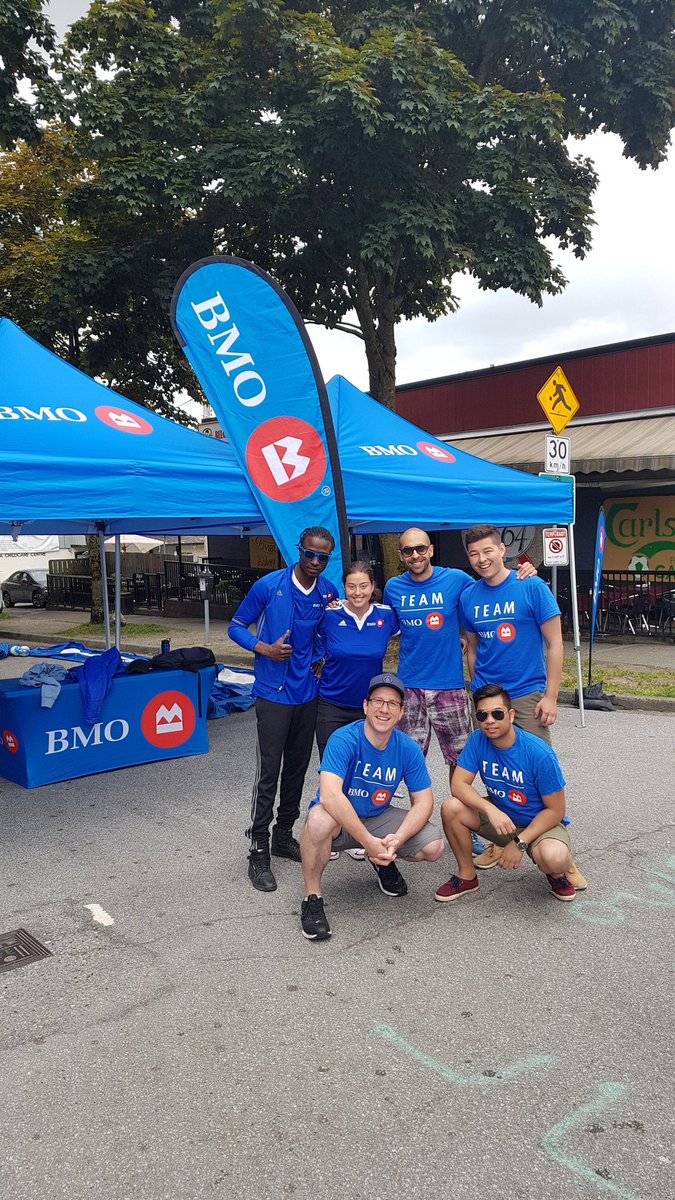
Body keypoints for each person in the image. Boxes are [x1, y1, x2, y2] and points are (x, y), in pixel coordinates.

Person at [383, 528, 534, 854]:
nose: (415, 556)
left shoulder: (456, 580)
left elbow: (493, 584)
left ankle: (464, 821)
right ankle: (417, 823)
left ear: (431, 550)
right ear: (400, 556)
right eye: (408, 551)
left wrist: (526, 569)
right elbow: (386, 628)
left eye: (420, 548)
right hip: (410, 688)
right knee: (410, 759)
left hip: (449, 687)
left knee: (460, 761)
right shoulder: (393, 588)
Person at [459, 525, 586, 889]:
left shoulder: (532, 586)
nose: (482, 559)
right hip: (487, 698)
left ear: (502, 549)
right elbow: (473, 646)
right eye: (474, 554)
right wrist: (477, 691)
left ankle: (563, 855)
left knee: (541, 772)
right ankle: (502, 840)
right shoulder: (469, 596)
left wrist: (551, 695)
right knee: (495, 769)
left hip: (528, 694)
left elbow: (555, 644)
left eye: (488, 551)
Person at [228, 527, 339, 893]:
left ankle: (283, 835)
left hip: (308, 694)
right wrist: (264, 648)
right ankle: (258, 848)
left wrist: (321, 658)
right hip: (273, 694)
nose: (316, 562)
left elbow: (328, 634)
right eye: (310, 554)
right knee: (269, 771)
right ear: (299, 549)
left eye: (323, 557)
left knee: (297, 769)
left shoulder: (328, 592)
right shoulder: (269, 586)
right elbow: (235, 626)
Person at [299, 673, 445, 940]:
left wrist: (397, 840)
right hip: (340, 820)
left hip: (377, 817)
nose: (384, 709)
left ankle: (383, 861)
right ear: (366, 706)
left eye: (392, 703)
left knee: (433, 846)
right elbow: (330, 796)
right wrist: (368, 841)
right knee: (319, 821)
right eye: (378, 701)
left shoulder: (408, 748)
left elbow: (424, 802)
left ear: (401, 713)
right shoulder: (344, 738)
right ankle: (312, 896)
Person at [434, 684, 577, 904]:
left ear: (511, 715)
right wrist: (489, 809)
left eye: (497, 714)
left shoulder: (539, 753)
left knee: (554, 858)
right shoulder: (477, 740)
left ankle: (557, 874)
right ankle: (467, 876)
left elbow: (556, 811)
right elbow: (459, 785)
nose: (489, 721)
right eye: (482, 715)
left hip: (538, 823)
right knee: (451, 808)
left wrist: (519, 843)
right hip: (503, 817)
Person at [315, 560, 399, 862]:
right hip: (331, 704)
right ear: (344, 587)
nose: (358, 591)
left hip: (369, 709)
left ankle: (356, 833)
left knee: (361, 773)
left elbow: (422, 628)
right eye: (351, 586)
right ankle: (332, 829)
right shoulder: (330, 614)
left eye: (364, 585)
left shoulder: (388, 616)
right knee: (333, 772)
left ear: (373, 587)